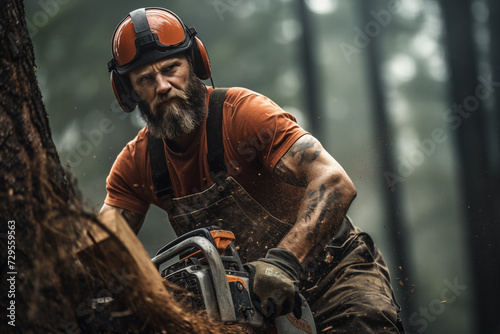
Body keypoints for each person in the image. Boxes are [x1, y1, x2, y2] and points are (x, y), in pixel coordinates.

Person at [101, 7, 405, 333]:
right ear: (128, 92)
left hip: (333, 277)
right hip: (246, 309)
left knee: (363, 323)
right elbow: (99, 247)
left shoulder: (245, 115)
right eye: (146, 79)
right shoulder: (137, 163)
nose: (162, 86)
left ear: (196, 63)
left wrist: (283, 263)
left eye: (171, 68)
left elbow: (335, 182)